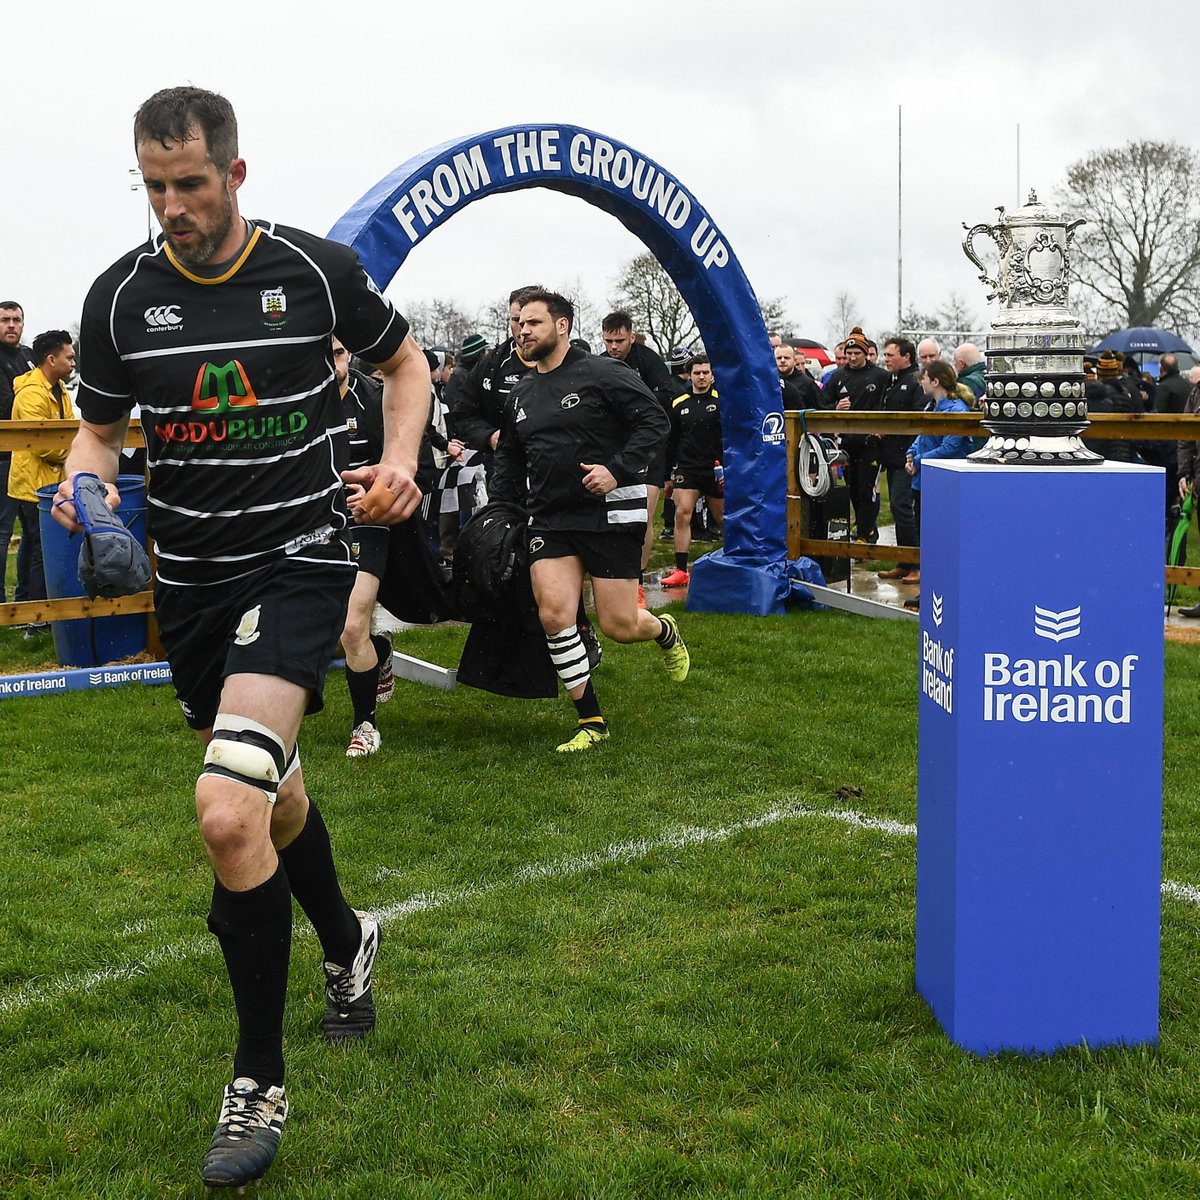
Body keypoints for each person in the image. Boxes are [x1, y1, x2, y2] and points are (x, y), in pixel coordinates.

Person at [52, 85, 431, 1193]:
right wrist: (88, 487)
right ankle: (350, 939)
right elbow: (98, 430)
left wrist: (400, 462)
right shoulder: (120, 299)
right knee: (276, 793)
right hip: (197, 582)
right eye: (155, 185)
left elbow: (407, 366)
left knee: (225, 812)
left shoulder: (313, 272)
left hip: (305, 559)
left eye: (191, 184)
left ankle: (256, 1079)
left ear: (236, 174)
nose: (172, 205)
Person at [490, 288, 689, 751]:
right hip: (550, 518)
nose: (523, 331)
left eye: (534, 323)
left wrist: (615, 469)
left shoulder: (603, 372)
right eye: (520, 324)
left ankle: (663, 630)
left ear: (562, 326)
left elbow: (655, 422)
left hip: (610, 512)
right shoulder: (520, 393)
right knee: (554, 614)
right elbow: (511, 462)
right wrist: (500, 510)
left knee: (619, 625)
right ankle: (591, 721)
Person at [332, 337, 399, 758]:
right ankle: (382, 652)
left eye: (339, 352)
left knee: (353, 627)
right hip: (312, 526)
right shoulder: (296, 397)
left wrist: (376, 495)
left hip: (366, 524)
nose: (333, 362)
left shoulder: (372, 397)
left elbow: (405, 464)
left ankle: (365, 726)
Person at [8, 330, 77, 632]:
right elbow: (45, 444)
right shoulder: (31, 394)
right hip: (33, 484)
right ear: (52, 359)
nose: (73, 362)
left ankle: (26, 606)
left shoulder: (59, 388)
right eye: (69, 357)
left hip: (47, 481)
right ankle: (38, 619)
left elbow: (71, 423)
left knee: (31, 547)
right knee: (40, 551)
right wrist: (76, 452)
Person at [904, 360, 972, 585]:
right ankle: (928, 587)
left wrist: (920, 461)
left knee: (941, 539)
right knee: (926, 537)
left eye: (924, 378)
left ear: (935, 381)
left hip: (942, 483)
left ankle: (941, 587)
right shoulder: (930, 407)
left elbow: (950, 447)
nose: (921, 382)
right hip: (922, 481)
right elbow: (921, 437)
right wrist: (911, 456)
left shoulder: (957, 410)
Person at [662, 355, 724, 588]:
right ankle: (680, 569)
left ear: (712, 375)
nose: (701, 377)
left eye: (705, 372)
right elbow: (671, 441)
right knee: (682, 513)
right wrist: (667, 476)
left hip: (716, 469)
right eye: (697, 373)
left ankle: (736, 561)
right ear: (689, 375)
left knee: (722, 518)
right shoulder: (679, 403)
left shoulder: (722, 400)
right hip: (687, 468)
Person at [822, 326, 889, 542]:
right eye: (848, 354)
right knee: (851, 490)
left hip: (871, 443)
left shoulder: (880, 376)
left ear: (866, 353)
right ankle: (862, 531)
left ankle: (865, 534)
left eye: (856, 353)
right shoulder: (837, 377)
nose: (851, 357)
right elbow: (821, 405)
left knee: (867, 490)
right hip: (847, 443)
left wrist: (881, 431)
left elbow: (888, 406)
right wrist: (835, 408)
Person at [875, 337, 924, 583]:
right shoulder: (891, 382)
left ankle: (917, 564)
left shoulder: (915, 380)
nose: (886, 360)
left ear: (906, 357)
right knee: (896, 508)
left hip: (908, 456)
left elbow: (917, 418)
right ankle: (904, 562)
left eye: (890, 355)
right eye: (884, 355)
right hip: (891, 457)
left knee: (903, 507)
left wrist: (891, 429)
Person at [0, 301, 37, 605]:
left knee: (31, 532)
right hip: (2, 456)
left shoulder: (28, 357)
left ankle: (25, 599)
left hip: (27, 457)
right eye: (4, 320)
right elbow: (7, 406)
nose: (11, 325)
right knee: (2, 531)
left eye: (16, 320)